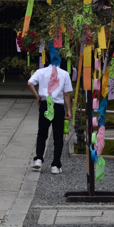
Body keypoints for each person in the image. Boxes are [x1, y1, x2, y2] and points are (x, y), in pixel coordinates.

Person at [27, 46, 73, 174]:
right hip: (58, 106)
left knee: (42, 133)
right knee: (58, 136)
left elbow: (29, 83)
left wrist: (37, 96)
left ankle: (38, 159)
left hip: (45, 104)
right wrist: (68, 110)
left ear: (46, 59)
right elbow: (67, 94)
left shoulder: (40, 72)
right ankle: (55, 165)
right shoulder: (64, 74)